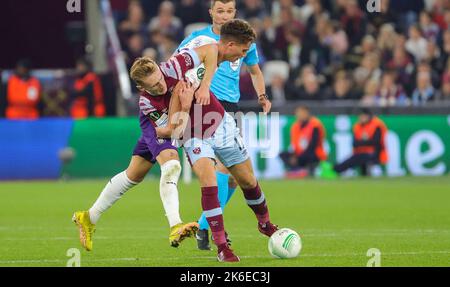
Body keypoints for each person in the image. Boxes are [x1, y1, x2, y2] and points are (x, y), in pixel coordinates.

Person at [72, 40, 218, 252]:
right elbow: (174, 132)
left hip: (174, 120)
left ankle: (88, 217)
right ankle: (175, 225)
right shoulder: (147, 103)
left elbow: (210, 50)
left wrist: (203, 85)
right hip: (158, 127)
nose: (161, 85)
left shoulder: (174, 66)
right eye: (155, 85)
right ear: (142, 88)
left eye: (160, 79)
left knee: (133, 175)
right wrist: (185, 105)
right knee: (172, 166)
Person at [154, 19, 279, 262]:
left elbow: (210, 53)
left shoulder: (212, 50)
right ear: (230, 45)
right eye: (243, 51)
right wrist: (178, 119)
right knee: (208, 179)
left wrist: (205, 87)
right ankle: (222, 246)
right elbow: (177, 107)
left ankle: (265, 224)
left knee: (246, 179)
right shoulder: (195, 58)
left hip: (219, 122)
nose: (243, 57)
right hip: (191, 130)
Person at [176, 0, 271, 251]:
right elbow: (177, 66)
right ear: (211, 13)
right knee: (221, 172)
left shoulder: (241, 40)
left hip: (231, 107)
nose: (225, 15)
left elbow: (255, 72)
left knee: (234, 180)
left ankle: (203, 225)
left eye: (229, 11)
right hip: (206, 106)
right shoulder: (197, 39)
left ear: (235, 13)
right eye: (220, 11)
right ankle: (208, 230)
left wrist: (262, 96)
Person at [333, 109, 388, 176]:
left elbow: (376, 142)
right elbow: (354, 143)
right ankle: (335, 169)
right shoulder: (357, 126)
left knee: (360, 158)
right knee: (353, 160)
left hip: (374, 152)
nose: (361, 118)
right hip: (360, 152)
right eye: (360, 116)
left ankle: (335, 169)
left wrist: (362, 143)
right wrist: (364, 142)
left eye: (363, 116)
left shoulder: (376, 125)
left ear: (368, 116)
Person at [280, 106, 327, 176]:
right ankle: (298, 170)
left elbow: (314, 144)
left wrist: (299, 156)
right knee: (282, 154)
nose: (299, 115)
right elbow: (295, 143)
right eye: (298, 113)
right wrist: (294, 155)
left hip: (313, 153)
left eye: (301, 113)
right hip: (299, 153)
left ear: (307, 113)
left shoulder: (315, 124)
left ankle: (306, 170)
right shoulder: (295, 126)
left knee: (310, 155)